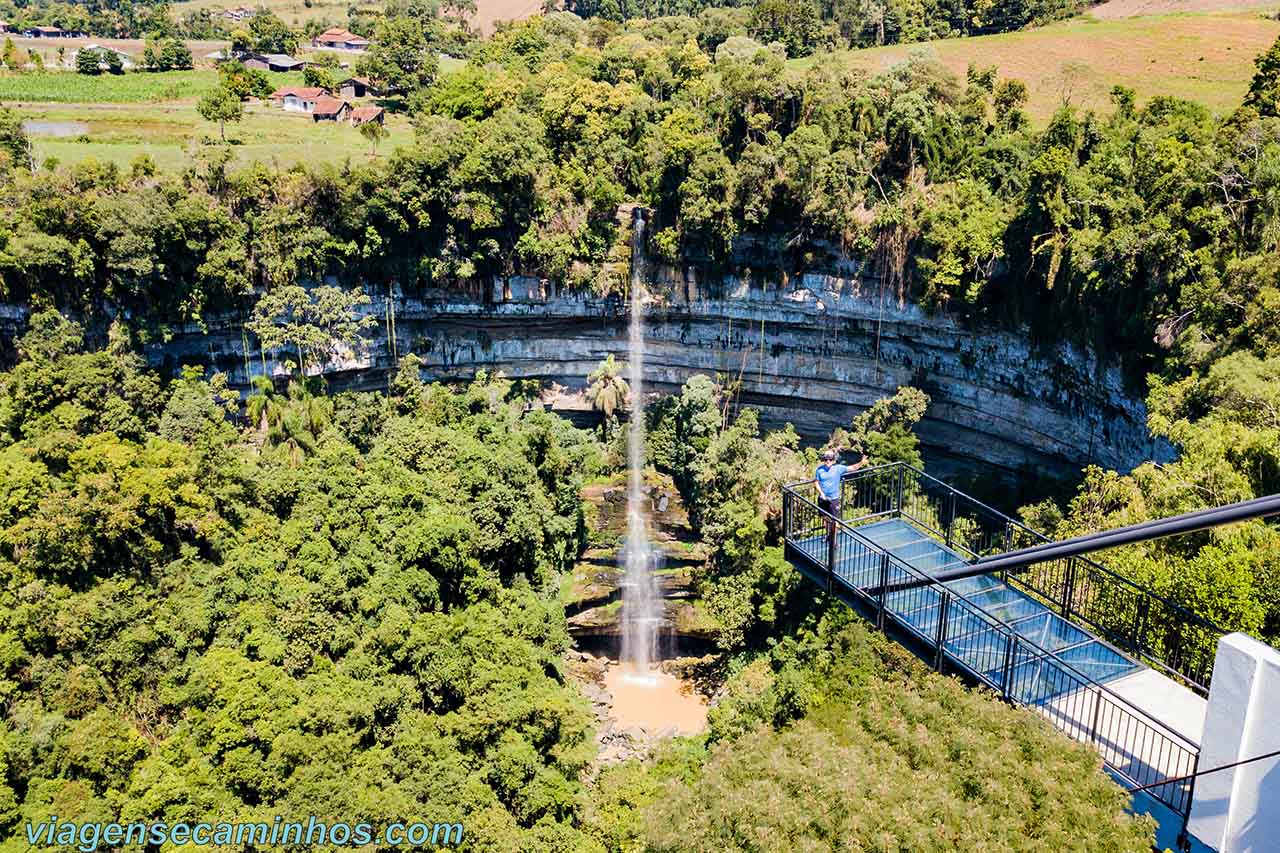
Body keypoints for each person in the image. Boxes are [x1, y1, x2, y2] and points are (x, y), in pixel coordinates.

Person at [814, 448, 868, 522]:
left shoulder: (838, 468)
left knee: (835, 520)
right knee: (825, 518)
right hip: (823, 498)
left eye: (830, 459)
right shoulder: (819, 470)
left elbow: (852, 468)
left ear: (833, 460)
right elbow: (816, 482)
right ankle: (828, 533)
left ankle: (834, 534)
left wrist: (861, 462)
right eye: (826, 460)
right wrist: (821, 493)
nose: (828, 461)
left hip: (833, 498)